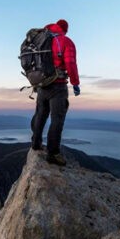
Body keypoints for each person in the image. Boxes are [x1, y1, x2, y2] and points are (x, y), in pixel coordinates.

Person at [30, 19, 80, 166]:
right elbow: (70, 63)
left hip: (42, 85)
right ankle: (53, 153)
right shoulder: (65, 41)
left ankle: (35, 143)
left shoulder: (41, 39)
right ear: (65, 29)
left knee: (40, 115)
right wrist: (75, 83)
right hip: (58, 86)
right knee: (57, 119)